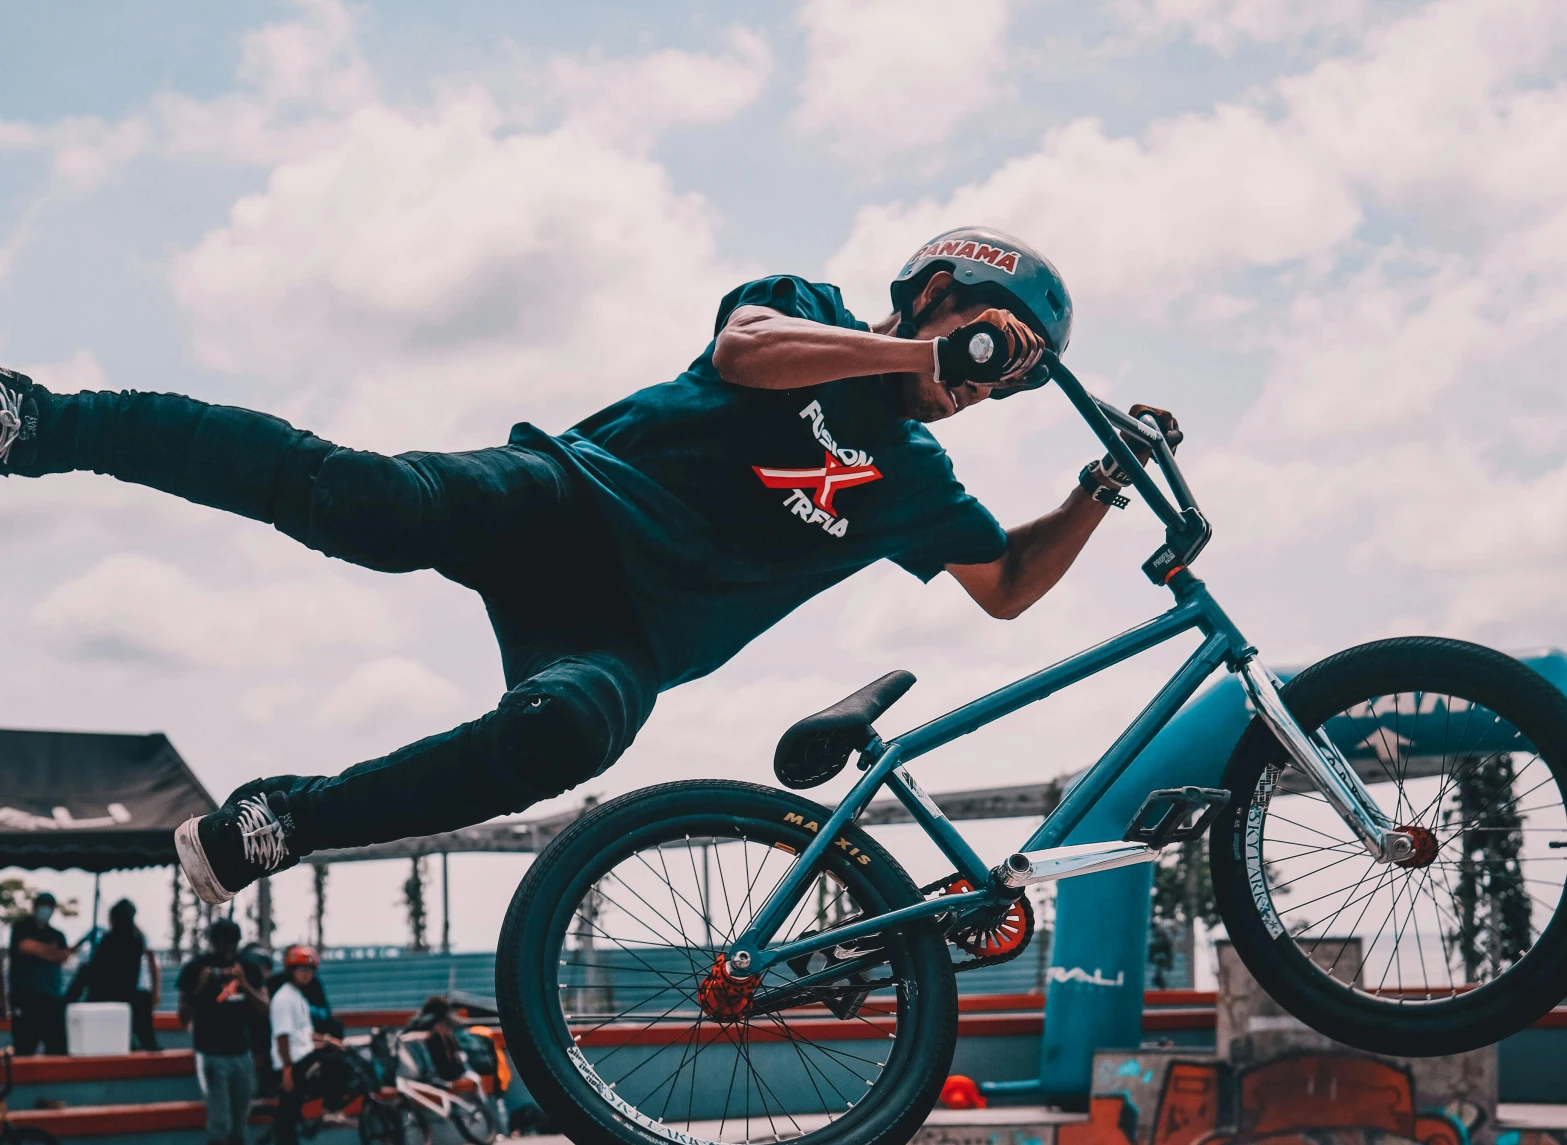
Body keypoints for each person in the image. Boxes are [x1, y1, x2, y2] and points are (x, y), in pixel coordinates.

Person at [0, 229, 1178, 901]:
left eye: (1004, 380)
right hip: (560, 502)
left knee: (571, 737)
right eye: (983, 345)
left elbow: (1007, 586)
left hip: (626, 636)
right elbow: (744, 350)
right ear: (933, 295)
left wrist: (1097, 484)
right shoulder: (808, 313)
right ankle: (44, 424)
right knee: (365, 503)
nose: (978, 384)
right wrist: (917, 348)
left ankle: (282, 820)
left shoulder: (919, 487)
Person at [178, 915, 270, 1145]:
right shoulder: (196, 968)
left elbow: (264, 1007)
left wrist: (243, 983)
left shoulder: (248, 968)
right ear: (213, 944)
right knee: (219, 1122)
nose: (227, 951)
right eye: (222, 945)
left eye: (231, 945)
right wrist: (200, 989)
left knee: (239, 1122)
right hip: (211, 1053)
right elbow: (183, 1017)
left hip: (240, 1054)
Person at [269, 943, 325, 1145]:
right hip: (291, 1062)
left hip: (301, 1056)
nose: (306, 974)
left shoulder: (299, 997)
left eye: (309, 970)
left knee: (291, 1112)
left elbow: (303, 1032)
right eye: (301, 969)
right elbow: (282, 1035)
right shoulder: (284, 999)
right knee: (288, 1114)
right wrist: (287, 1069)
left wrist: (326, 1040)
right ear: (290, 970)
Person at [76, 898, 161, 1051]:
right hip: (129, 994)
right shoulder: (136, 938)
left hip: (115, 995)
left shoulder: (111, 940)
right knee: (142, 1038)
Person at [6, 890, 70, 1056]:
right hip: (25, 998)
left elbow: (63, 956)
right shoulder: (21, 928)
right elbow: (26, 946)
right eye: (43, 906)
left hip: (51, 999)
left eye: (49, 907)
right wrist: (49, 951)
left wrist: (39, 949)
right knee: (24, 1046)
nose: (46, 910)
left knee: (56, 1047)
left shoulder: (57, 934)